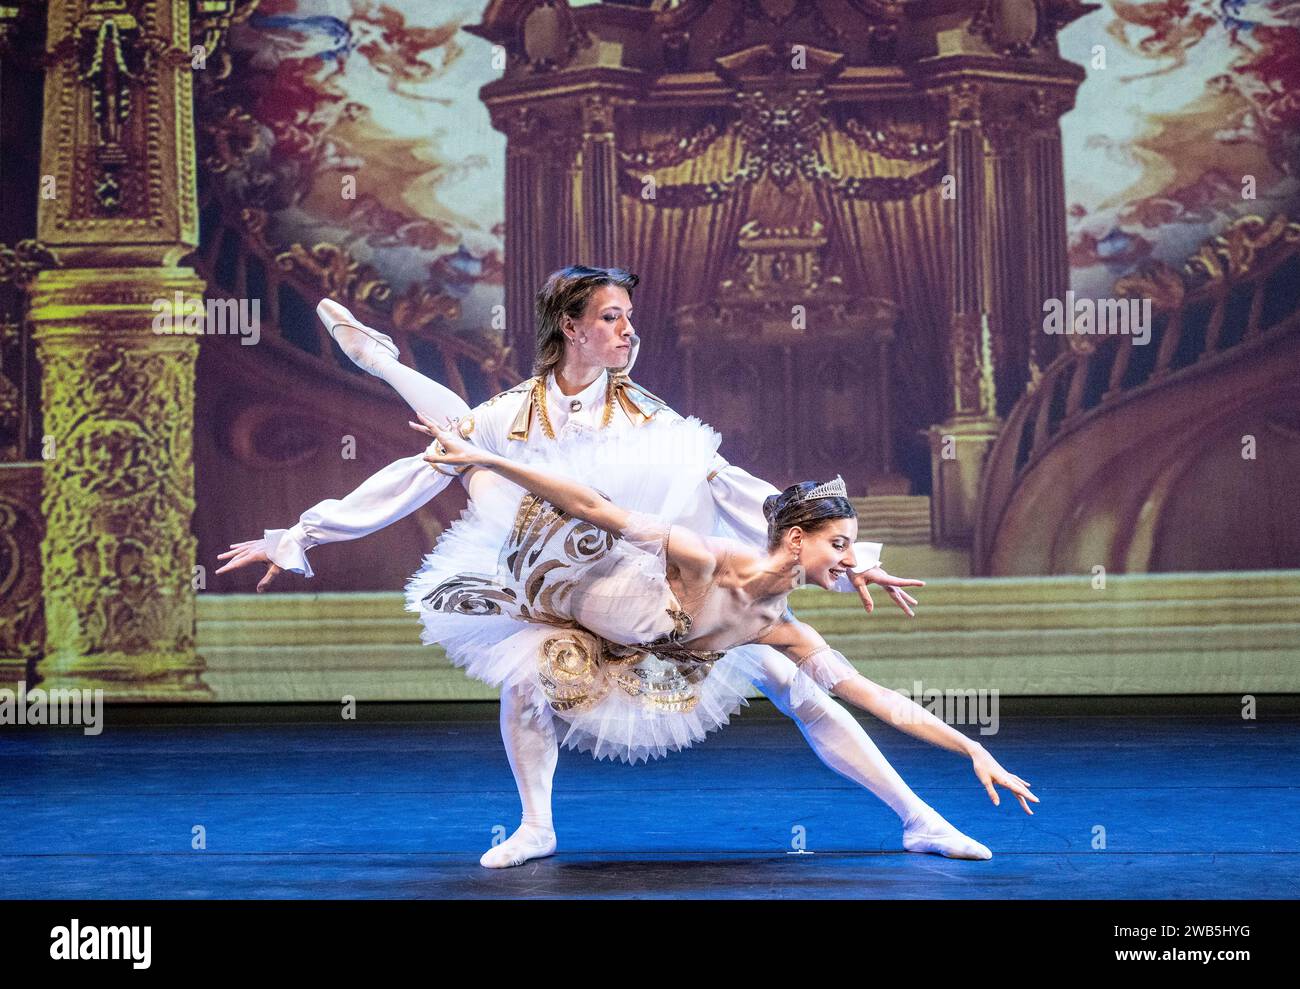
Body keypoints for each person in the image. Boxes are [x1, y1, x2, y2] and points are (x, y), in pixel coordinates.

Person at [217, 265, 1034, 867]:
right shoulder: (513, 412)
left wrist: (853, 556)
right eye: (611, 318)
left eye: (631, 317)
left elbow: (739, 487)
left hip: (654, 584)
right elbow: (427, 469)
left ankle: (917, 814)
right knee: (523, 657)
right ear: (571, 326)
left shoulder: (647, 412)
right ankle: (536, 823)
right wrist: (304, 530)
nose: (627, 331)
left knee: (798, 681)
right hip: (559, 564)